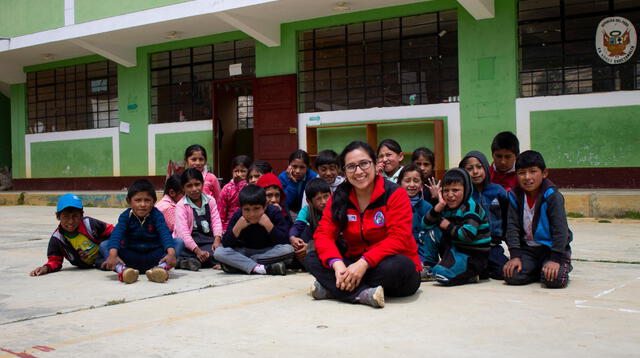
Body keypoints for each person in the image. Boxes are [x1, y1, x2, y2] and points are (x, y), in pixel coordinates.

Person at [305, 141, 421, 309]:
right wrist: (337, 265)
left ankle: (334, 288)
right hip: (355, 263)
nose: (358, 171)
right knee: (312, 256)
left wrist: (363, 263)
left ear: (375, 164)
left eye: (364, 164)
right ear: (344, 172)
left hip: (390, 267)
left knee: (399, 266)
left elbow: (399, 238)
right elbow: (323, 233)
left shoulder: (395, 194)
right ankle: (362, 294)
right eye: (351, 167)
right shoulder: (340, 197)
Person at [503, 150, 572, 288]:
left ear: (544, 173)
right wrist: (515, 255)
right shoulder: (515, 195)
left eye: (533, 171)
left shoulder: (552, 196)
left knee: (554, 280)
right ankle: (537, 268)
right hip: (528, 250)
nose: (527, 177)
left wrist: (555, 258)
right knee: (512, 275)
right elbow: (512, 226)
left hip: (551, 249)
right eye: (522, 173)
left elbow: (561, 229)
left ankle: (560, 264)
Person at [100, 180, 184, 284]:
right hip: (130, 257)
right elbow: (117, 234)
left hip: (154, 257)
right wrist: (113, 255)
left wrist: (171, 253)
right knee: (105, 245)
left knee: (178, 242)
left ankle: (159, 269)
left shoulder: (157, 215)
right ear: (129, 201)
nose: (142, 204)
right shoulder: (126, 216)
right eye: (138, 200)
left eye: (147, 200)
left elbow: (164, 234)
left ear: (153, 202)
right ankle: (123, 271)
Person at [422, 168, 491, 285]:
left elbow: (467, 235)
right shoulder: (446, 206)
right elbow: (425, 225)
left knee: (440, 274)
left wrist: (448, 226)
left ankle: (470, 273)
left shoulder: (471, 208)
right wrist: (438, 206)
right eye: (446, 190)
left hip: (472, 255)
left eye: (455, 190)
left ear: (466, 190)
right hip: (455, 249)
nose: (450, 195)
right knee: (432, 232)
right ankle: (429, 266)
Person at [213, 185, 294, 275]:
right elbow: (226, 244)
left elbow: (284, 241)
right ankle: (262, 268)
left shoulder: (274, 212)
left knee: (288, 249)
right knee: (219, 252)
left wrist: (269, 226)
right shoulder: (238, 215)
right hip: (244, 252)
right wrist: (237, 228)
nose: (252, 214)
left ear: (265, 206)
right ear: (241, 208)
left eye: (256, 208)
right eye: (247, 209)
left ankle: (242, 265)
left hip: (267, 251)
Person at [30, 193, 114, 276]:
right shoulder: (57, 239)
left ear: (81, 215)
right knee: (102, 265)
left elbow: (113, 231)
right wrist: (46, 268)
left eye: (75, 216)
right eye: (66, 216)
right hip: (97, 261)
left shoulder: (89, 224)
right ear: (58, 217)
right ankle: (117, 265)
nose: (70, 221)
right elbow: (54, 260)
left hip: (109, 251)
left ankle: (120, 266)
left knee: (104, 245)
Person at [460, 151, 509, 280]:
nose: (475, 172)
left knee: (505, 272)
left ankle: (485, 269)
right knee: (464, 270)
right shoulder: (463, 194)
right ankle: (481, 269)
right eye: (469, 169)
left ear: (486, 168)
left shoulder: (498, 191)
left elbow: (508, 220)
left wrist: (515, 252)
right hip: (471, 247)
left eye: (479, 167)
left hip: (492, 246)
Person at [173, 169, 224, 271]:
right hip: (189, 243)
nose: (194, 189)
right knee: (177, 248)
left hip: (207, 240)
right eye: (189, 186)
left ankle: (185, 262)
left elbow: (216, 222)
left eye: (197, 184)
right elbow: (183, 234)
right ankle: (186, 260)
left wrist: (217, 241)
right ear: (183, 188)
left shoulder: (210, 201)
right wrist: (197, 251)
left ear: (203, 184)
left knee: (220, 251)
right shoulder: (181, 205)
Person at [397, 165, 434, 272]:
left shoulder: (427, 207)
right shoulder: (393, 205)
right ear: (399, 183)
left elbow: (430, 237)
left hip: (422, 252)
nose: (412, 185)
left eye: (416, 181)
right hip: (400, 250)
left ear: (422, 184)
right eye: (407, 181)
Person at [289, 178, 331, 265]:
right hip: (312, 243)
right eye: (318, 199)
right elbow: (297, 226)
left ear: (331, 195)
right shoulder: (307, 210)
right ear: (309, 201)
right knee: (304, 230)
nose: (324, 202)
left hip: (328, 245)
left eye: (326, 196)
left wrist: (310, 247)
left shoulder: (336, 209)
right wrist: (293, 238)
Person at [218, 155, 252, 231]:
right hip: (230, 226)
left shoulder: (252, 187)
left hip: (249, 223)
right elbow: (221, 211)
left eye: (243, 171)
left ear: (249, 172)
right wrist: (222, 229)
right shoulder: (227, 189)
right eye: (236, 171)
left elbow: (244, 199)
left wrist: (241, 184)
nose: (239, 174)